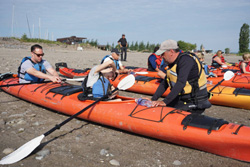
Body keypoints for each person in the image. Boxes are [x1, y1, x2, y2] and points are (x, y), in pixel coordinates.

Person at [151, 40, 211, 114]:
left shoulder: (186, 60)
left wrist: (164, 102)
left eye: (163, 54)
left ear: (171, 52)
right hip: (182, 98)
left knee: (168, 114)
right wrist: (153, 99)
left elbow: (181, 82)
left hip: (195, 101)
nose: (161, 56)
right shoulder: (172, 63)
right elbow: (165, 83)